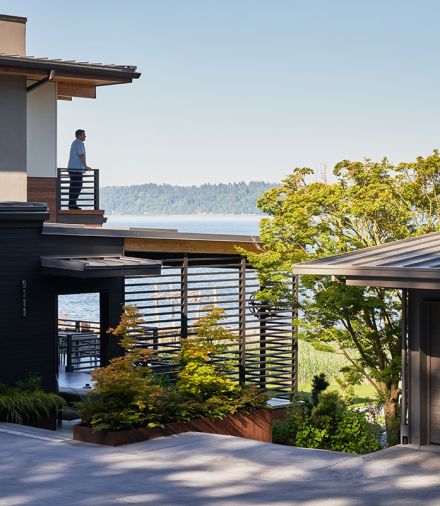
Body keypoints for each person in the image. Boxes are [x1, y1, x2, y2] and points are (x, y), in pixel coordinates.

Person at [67, 129, 92, 209]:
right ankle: (72, 204)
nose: (85, 136)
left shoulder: (75, 143)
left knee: (74, 186)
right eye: (83, 134)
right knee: (77, 186)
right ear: (79, 135)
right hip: (76, 169)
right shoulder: (79, 143)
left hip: (73, 168)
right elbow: (81, 155)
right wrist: (85, 166)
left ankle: (72, 204)